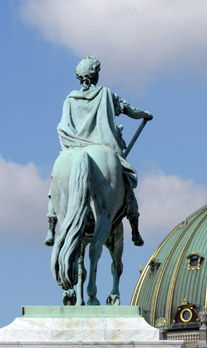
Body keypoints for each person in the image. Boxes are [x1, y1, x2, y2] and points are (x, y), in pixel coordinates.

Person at [45, 56, 152, 247]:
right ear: (96, 75)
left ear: (79, 77)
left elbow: (63, 125)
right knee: (126, 180)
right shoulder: (106, 94)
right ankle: (135, 229)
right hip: (103, 147)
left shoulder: (70, 99)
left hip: (73, 146)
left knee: (56, 182)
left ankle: (51, 227)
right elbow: (130, 110)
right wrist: (145, 115)